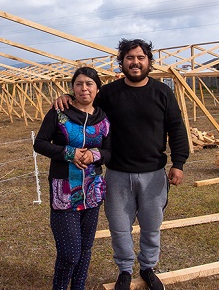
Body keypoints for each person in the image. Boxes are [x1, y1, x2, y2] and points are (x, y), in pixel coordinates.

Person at [54, 38, 189, 290]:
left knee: (151, 226)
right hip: (117, 173)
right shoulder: (110, 93)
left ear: (148, 61)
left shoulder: (162, 92)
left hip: (153, 174)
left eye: (140, 57)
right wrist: (67, 96)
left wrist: (178, 162)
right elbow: (87, 103)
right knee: (119, 227)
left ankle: (148, 267)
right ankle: (125, 270)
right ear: (122, 62)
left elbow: (177, 129)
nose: (135, 62)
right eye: (130, 58)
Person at [34, 66, 111, 290]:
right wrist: (69, 153)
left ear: (97, 88)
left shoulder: (104, 118)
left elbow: (109, 152)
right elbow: (39, 143)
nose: (84, 88)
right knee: (69, 253)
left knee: (86, 249)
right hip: (64, 192)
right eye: (79, 84)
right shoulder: (59, 114)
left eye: (89, 84)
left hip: (93, 191)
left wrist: (94, 155)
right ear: (72, 88)